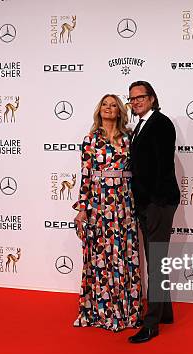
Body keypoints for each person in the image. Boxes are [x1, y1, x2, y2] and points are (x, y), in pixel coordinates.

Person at [72, 94, 142, 332]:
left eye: (114, 105)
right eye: (105, 104)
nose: (109, 108)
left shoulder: (129, 137)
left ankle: (127, 311)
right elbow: (85, 175)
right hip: (100, 203)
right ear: (99, 110)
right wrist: (83, 208)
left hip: (124, 202)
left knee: (125, 252)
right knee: (102, 255)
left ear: (120, 111)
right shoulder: (91, 140)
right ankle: (101, 310)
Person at [126, 81, 180, 343]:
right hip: (149, 203)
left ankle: (151, 324)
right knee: (157, 260)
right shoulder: (141, 124)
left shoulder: (160, 123)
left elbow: (162, 166)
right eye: (132, 99)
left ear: (152, 98)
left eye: (140, 97)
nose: (135, 102)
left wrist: (154, 202)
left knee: (156, 263)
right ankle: (165, 312)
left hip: (158, 203)